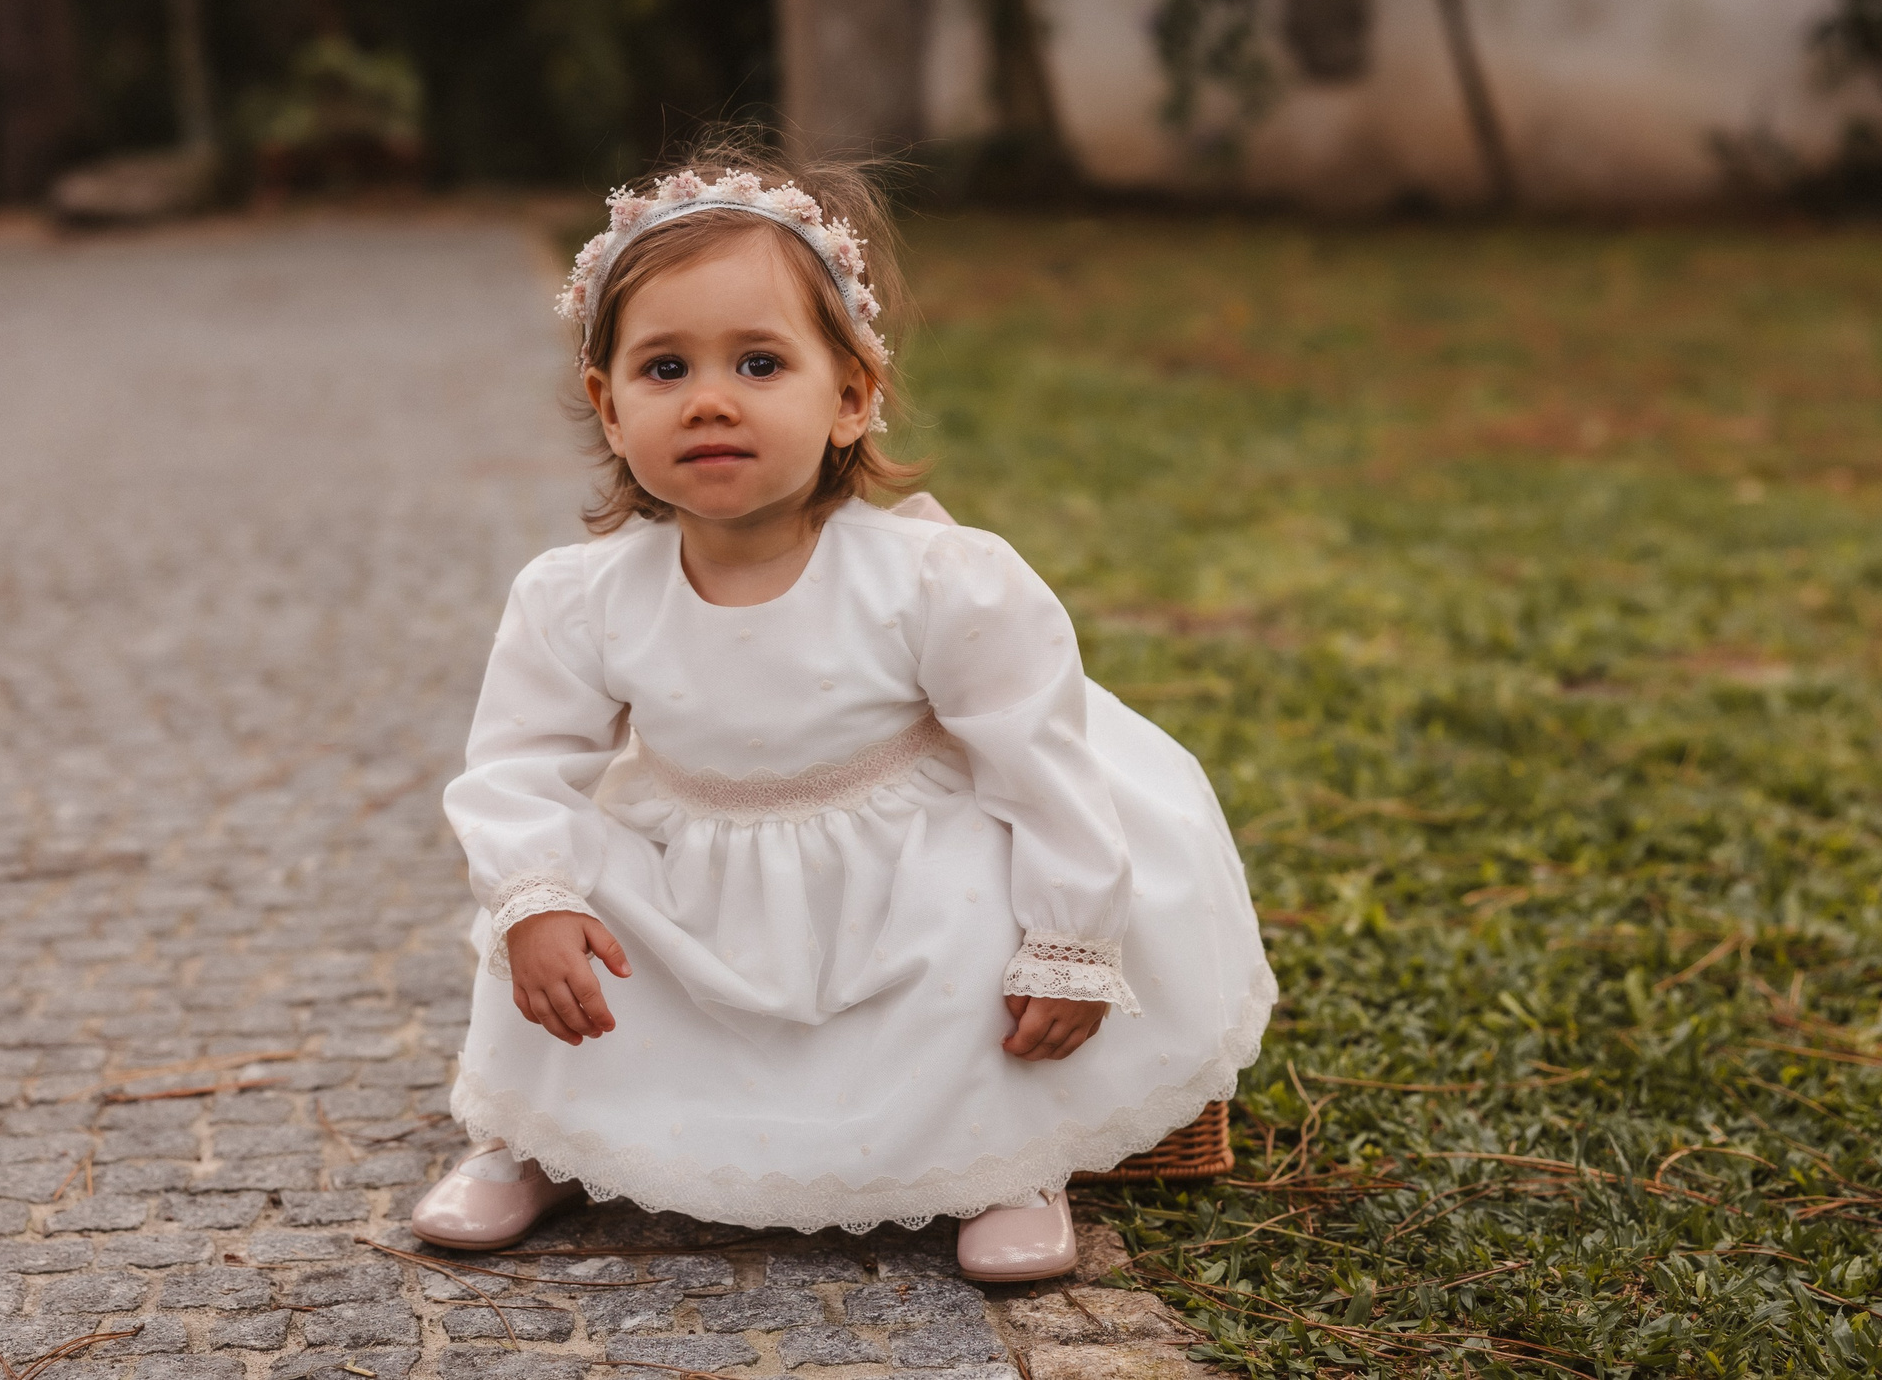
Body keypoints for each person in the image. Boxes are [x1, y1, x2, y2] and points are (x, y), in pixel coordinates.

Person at [409, 147, 1276, 1280]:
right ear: (607, 409)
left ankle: (1004, 1161)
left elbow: (1039, 765)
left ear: (851, 396)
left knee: (971, 919)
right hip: (696, 869)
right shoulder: (578, 595)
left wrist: (1068, 938)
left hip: (897, 865)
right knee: (558, 908)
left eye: (760, 362)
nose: (709, 398)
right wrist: (537, 897)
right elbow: (521, 764)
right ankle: (535, 1137)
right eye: (663, 368)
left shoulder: (936, 581)